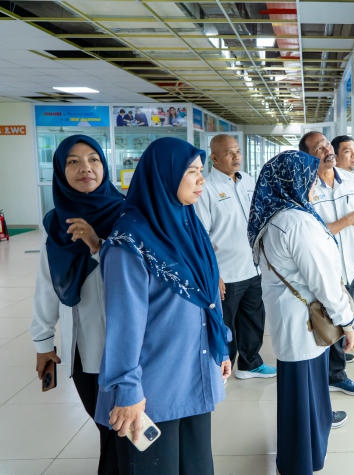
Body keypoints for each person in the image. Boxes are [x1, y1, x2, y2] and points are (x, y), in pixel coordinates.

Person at [96, 137, 231, 474]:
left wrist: (221, 347)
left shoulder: (189, 226)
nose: (201, 179)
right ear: (164, 176)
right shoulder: (129, 243)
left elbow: (207, 295)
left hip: (195, 374)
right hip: (152, 388)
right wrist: (128, 389)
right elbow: (123, 324)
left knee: (197, 466)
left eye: (202, 171)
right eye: (192, 172)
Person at [247, 150, 354, 475]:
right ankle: (299, 463)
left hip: (294, 324)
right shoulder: (297, 223)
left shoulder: (276, 215)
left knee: (305, 397)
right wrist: (348, 323)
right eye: (310, 179)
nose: (316, 186)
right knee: (301, 401)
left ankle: (305, 455)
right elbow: (325, 283)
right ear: (292, 181)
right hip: (306, 325)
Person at [31, 134, 124, 474]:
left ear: (105, 164)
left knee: (125, 429)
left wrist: (98, 246)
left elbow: (143, 275)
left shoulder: (128, 212)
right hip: (84, 349)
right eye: (73, 161)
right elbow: (46, 284)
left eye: (93, 159)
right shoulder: (55, 223)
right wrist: (43, 343)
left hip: (132, 345)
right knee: (107, 426)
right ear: (60, 170)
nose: (85, 168)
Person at [195, 134, 276, 379]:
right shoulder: (206, 188)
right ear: (215, 157)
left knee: (253, 318)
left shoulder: (249, 181)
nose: (236, 156)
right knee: (226, 324)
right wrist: (213, 274)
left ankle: (250, 363)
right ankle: (223, 368)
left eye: (238, 151)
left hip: (253, 267)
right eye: (229, 153)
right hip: (226, 272)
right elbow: (201, 236)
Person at [299, 131, 354, 396]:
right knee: (331, 320)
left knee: (343, 322)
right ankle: (335, 376)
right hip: (325, 270)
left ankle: (335, 370)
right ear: (307, 157)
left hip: (350, 265)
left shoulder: (351, 181)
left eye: (327, 144)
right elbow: (307, 234)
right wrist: (345, 222)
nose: (326, 150)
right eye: (319, 149)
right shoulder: (304, 188)